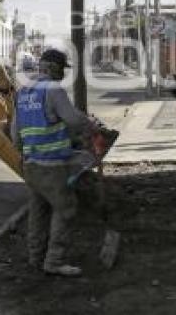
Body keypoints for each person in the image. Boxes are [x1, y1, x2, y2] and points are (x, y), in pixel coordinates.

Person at [11, 48, 105, 277]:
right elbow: (72, 118)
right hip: (52, 166)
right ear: (55, 68)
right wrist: (92, 127)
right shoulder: (53, 90)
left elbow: (15, 133)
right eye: (63, 69)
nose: (64, 74)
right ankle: (54, 261)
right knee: (65, 209)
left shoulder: (24, 92)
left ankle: (36, 256)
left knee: (38, 211)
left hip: (31, 165)